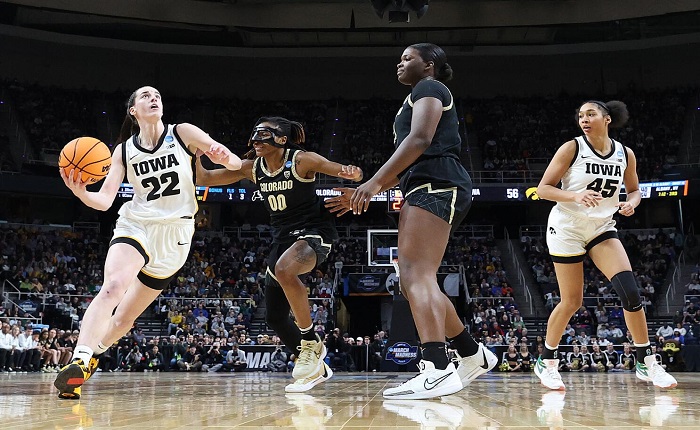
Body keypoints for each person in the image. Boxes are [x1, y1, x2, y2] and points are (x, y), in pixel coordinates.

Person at [325, 43, 497, 400]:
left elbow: (420, 140)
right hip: (427, 183)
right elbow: (407, 160)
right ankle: (471, 353)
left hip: (437, 182)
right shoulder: (416, 96)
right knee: (417, 279)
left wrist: (373, 182)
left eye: (407, 59)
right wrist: (368, 190)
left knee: (414, 275)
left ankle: (436, 367)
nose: (399, 64)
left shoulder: (429, 88)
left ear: (429, 65)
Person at [53, 85, 242, 399]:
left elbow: (234, 164)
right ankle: (80, 357)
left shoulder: (183, 132)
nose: (153, 98)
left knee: (125, 318)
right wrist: (82, 193)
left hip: (176, 235)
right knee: (113, 286)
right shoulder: (124, 151)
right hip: (136, 224)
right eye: (145, 96)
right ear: (133, 110)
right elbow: (104, 200)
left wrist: (226, 157)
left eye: (157, 95)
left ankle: (93, 357)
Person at [195, 116, 362, 392]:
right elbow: (205, 179)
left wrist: (352, 175)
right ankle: (316, 367)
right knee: (274, 317)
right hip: (281, 238)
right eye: (256, 135)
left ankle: (311, 341)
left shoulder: (301, 161)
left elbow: (343, 171)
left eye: (264, 135)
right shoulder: (252, 167)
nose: (257, 140)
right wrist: (196, 154)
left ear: (281, 139)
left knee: (285, 270)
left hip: (314, 230)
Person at [533, 99, 677, 390]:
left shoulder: (625, 153)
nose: (584, 119)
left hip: (601, 226)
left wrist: (631, 203)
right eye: (581, 116)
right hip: (567, 228)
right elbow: (543, 189)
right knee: (571, 302)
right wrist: (575, 196)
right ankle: (547, 361)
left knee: (631, 293)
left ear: (607, 118)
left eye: (591, 114)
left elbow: (635, 190)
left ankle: (646, 362)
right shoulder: (572, 148)